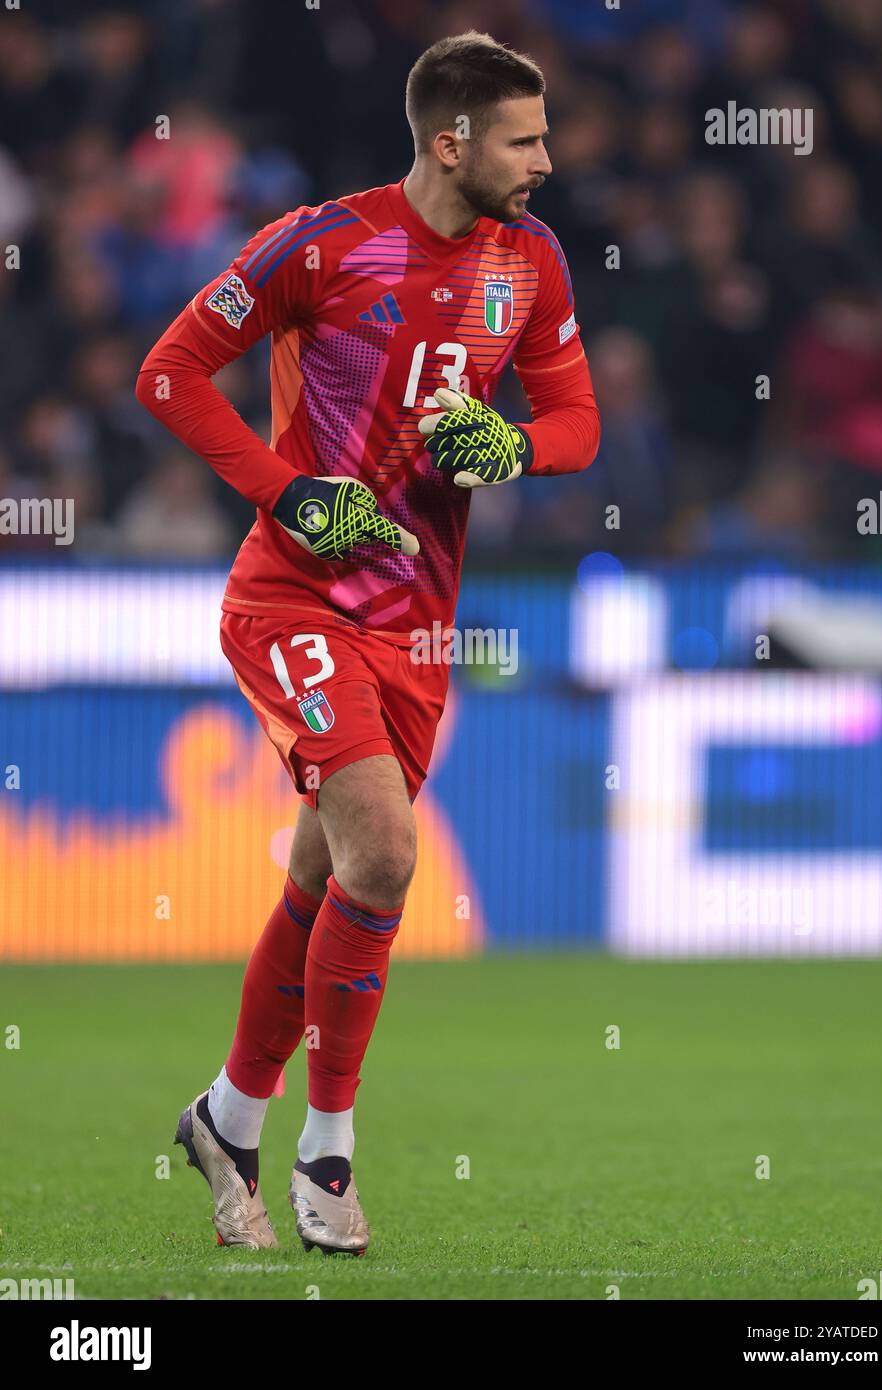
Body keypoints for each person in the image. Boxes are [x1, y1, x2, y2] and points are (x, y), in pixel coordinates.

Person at [136, 30, 600, 1256]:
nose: (547, 160)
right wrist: (286, 490)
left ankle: (228, 1116)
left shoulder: (533, 260)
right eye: (525, 138)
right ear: (451, 141)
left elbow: (576, 418)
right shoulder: (319, 243)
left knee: (324, 880)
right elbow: (172, 372)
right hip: (293, 600)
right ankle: (326, 1148)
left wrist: (517, 447)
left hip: (418, 630)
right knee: (387, 856)